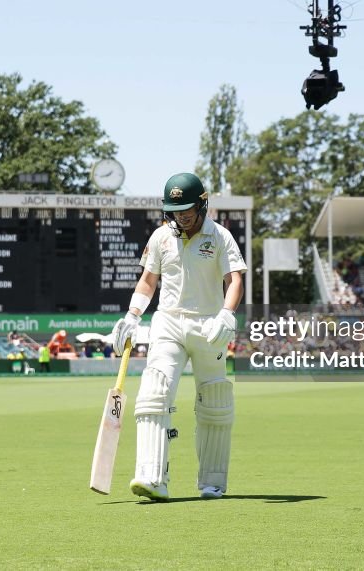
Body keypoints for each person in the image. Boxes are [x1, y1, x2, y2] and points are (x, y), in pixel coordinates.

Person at [109, 172, 246, 502]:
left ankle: (212, 482)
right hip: (168, 324)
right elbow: (148, 280)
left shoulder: (220, 236)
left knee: (214, 402)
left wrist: (227, 314)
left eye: (187, 209)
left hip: (208, 327)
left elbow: (235, 280)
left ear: (202, 204)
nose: (181, 216)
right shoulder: (160, 237)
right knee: (154, 392)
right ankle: (152, 477)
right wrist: (132, 315)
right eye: (175, 210)